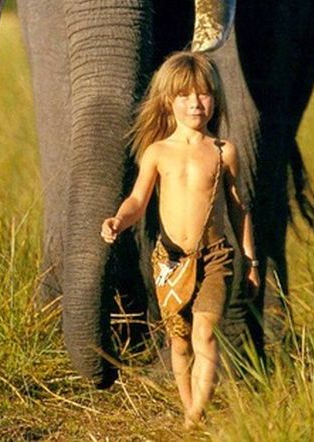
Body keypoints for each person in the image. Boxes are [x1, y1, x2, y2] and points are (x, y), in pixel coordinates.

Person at [101, 51, 259, 428]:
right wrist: (118, 220)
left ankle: (193, 416)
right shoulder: (157, 152)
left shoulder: (224, 152)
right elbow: (138, 201)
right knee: (180, 342)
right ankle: (190, 406)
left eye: (204, 95)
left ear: (215, 99)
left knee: (205, 332)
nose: (195, 104)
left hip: (215, 257)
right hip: (170, 260)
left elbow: (239, 210)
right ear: (168, 101)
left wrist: (251, 261)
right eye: (185, 96)